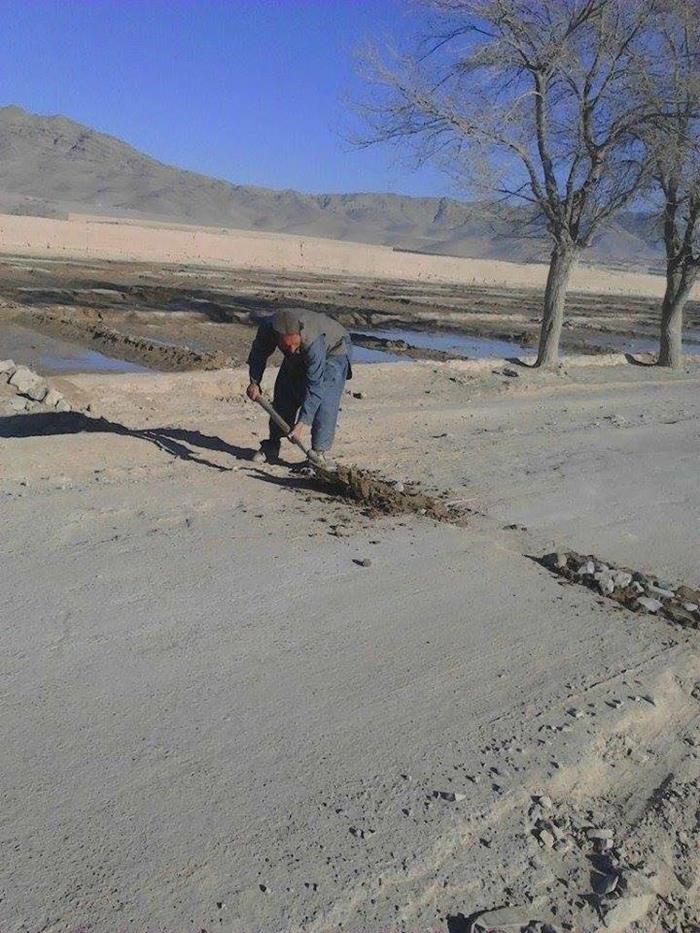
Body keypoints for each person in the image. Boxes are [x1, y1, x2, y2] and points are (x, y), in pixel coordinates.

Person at [246, 307, 352, 466]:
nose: (291, 350)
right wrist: (254, 382)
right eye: (286, 346)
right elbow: (258, 354)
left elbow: (315, 386)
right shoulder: (268, 329)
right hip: (305, 347)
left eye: (294, 344)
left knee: (324, 399)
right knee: (285, 390)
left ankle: (318, 454)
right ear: (278, 336)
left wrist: (301, 424)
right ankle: (272, 445)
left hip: (334, 350)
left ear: (300, 335)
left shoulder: (313, 341)